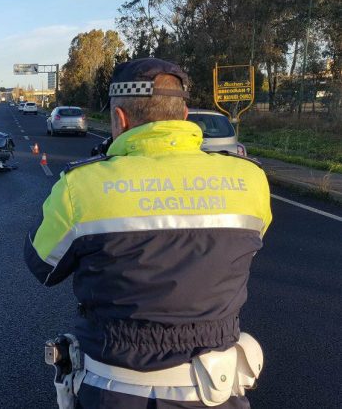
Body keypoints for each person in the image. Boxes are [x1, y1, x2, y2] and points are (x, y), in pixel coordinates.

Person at [25, 58, 272, 408]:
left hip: (112, 392)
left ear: (120, 119)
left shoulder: (80, 187)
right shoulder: (251, 181)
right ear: (184, 116)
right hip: (218, 394)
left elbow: (42, 265)